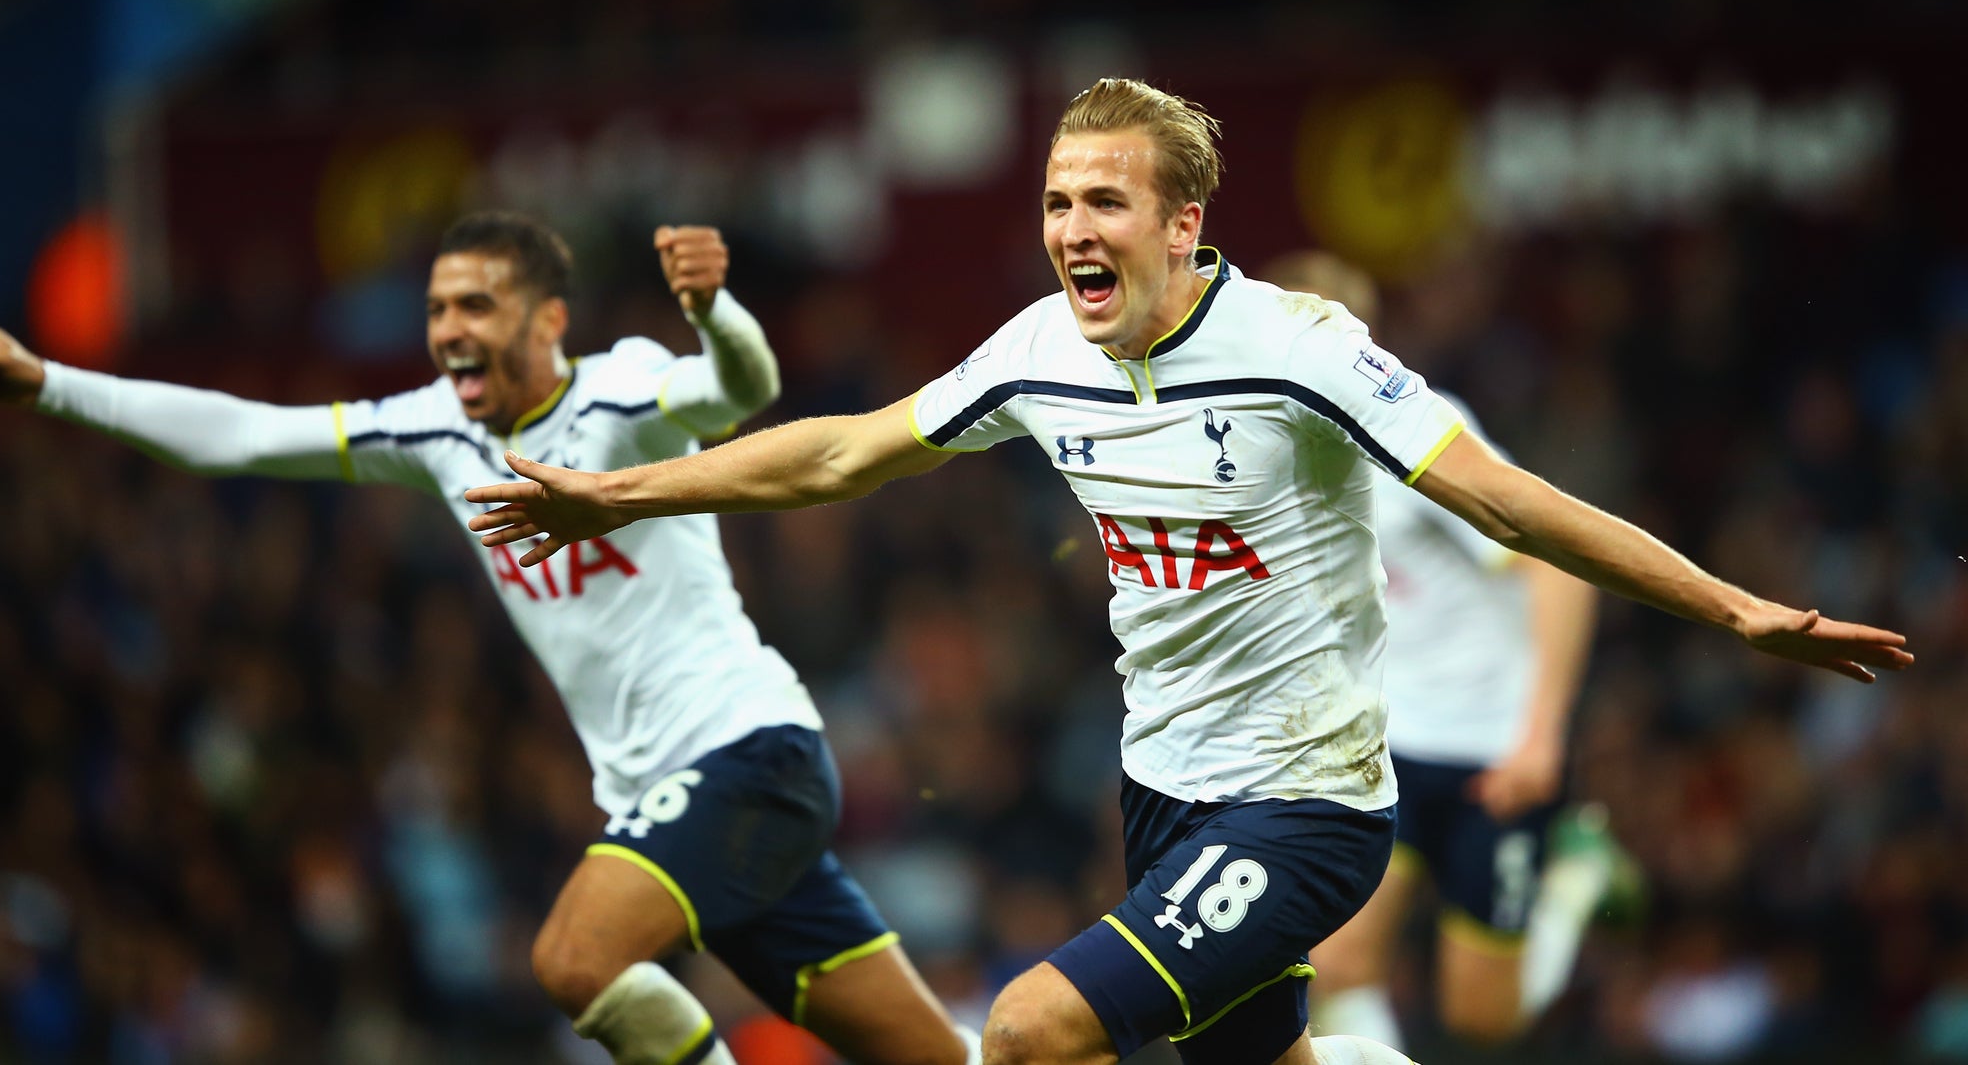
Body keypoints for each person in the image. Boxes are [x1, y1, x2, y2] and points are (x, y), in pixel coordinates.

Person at [460, 79, 1912, 1065]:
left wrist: (1735, 610)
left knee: (1030, 1028)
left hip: (1309, 803)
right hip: (1162, 794)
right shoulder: (1040, 347)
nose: (1073, 229)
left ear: (1181, 224)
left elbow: (1515, 506)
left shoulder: (1302, 349)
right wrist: (618, 487)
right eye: (1056, 200)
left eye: (1104, 201)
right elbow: (840, 454)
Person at [0, 213, 974, 1065]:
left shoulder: (619, 392)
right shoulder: (438, 431)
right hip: (682, 803)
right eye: (438, 307)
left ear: (548, 320)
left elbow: (736, 392)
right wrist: (53, 384)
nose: (448, 328)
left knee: (576, 962)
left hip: (745, 754)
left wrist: (715, 313)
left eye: (475, 306)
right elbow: (244, 433)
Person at [1266, 251, 1625, 1052]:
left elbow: (1556, 570)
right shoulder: (1277, 456)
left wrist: (1541, 737)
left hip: (1490, 751)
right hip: (1386, 748)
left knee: (1480, 1015)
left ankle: (1573, 888)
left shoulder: (1420, 430)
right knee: (1337, 961)